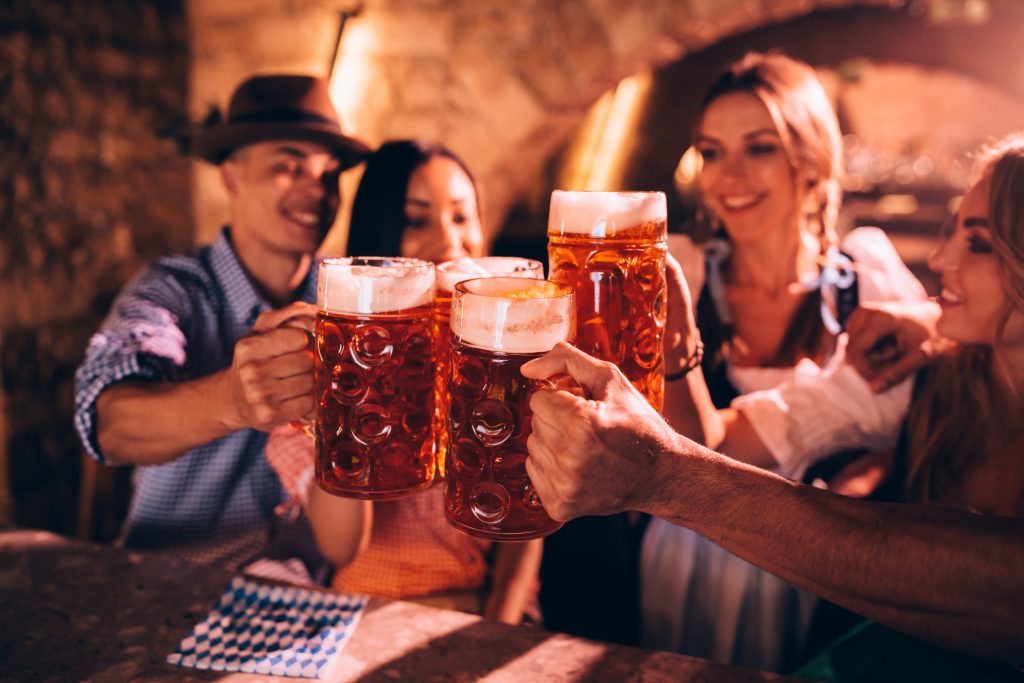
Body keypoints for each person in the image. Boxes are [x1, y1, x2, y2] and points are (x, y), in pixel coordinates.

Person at [521, 133, 1024, 677]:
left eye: (979, 244)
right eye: (710, 151)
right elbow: (723, 442)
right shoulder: (915, 372)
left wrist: (661, 474)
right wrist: (677, 356)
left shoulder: (877, 305)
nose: (939, 257)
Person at [640, 51, 926, 671]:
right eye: (711, 152)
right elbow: (685, 449)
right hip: (687, 559)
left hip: (830, 576)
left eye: (759, 148)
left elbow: (934, 395)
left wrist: (931, 323)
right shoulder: (682, 277)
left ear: (811, 161)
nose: (729, 176)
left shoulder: (865, 283)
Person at [73, 74, 371, 584]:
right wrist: (232, 400)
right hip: (171, 578)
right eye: (289, 166)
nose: (316, 191)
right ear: (231, 176)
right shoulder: (174, 289)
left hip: (304, 589)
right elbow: (110, 425)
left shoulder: (349, 294)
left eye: (329, 174)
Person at [271, 139, 542, 624]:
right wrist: (350, 392)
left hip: (488, 612)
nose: (449, 241)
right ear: (379, 236)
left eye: (461, 217)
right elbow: (340, 546)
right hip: (366, 616)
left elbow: (528, 511)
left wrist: (496, 622)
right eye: (417, 221)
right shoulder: (336, 354)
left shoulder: (498, 353)